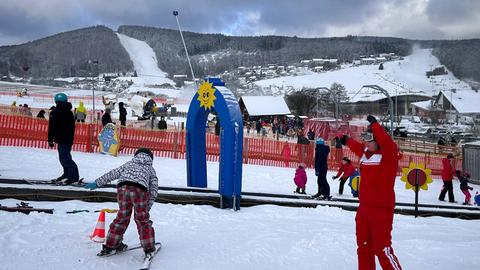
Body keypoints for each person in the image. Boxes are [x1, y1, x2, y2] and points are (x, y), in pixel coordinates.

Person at [338, 115, 402, 270]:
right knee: (363, 246)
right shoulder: (366, 154)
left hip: (381, 208)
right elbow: (357, 147)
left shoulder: (389, 157)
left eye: (369, 139)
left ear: (378, 142)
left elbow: (388, 143)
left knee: (382, 248)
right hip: (364, 207)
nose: (366, 143)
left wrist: (375, 126)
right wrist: (346, 139)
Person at [84, 148, 159, 259]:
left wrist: (97, 182)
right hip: (140, 190)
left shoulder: (128, 164)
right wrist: (147, 207)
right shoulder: (150, 169)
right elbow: (153, 190)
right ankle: (149, 249)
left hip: (122, 187)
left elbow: (113, 173)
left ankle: (111, 246)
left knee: (122, 217)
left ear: (136, 155)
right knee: (142, 220)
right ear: (150, 158)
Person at [48, 93, 80, 184]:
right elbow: (72, 126)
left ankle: (73, 176)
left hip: (61, 139)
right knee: (65, 157)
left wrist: (50, 139)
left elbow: (52, 127)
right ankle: (67, 174)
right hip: (68, 139)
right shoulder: (69, 112)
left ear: (56, 101)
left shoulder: (55, 112)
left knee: (65, 158)